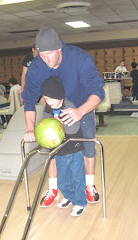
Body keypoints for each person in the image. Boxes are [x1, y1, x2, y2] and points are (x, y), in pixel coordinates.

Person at [21, 26, 105, 207]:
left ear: (59, 48)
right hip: (52, 109)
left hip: (82, 107)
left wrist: (80, 111)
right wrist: (29, 128)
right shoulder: (37, 67)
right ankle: (53, 188)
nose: (45, 59)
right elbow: (28, 100)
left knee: (88, 146)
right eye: (41, 55)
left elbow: (98, 92)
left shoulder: (79, 58)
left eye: (49, 54)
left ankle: (89, 186)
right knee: (52, 149)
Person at [40, 75, 87, 216]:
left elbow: (72, 129)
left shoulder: (69, 107)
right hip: (59, 150)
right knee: (62, 178)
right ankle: (69, 196)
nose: (49, 102)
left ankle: (79, 202)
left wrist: (58, 123)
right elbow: (44, 124)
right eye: (46, 99)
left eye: (51, 98)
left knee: (77, 177)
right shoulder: (48, 109)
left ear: (60, 96)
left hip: (74, 149)